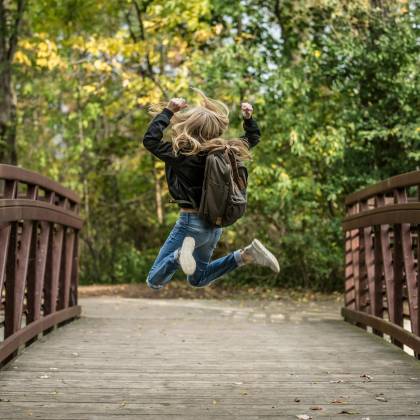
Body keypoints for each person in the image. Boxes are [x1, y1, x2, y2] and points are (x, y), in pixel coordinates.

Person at [143, 89, 279, 289]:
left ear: (189, 126)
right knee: (198, 279)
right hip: (214, 226)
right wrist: (248, 119)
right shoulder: (226, 152)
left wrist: (168, 111)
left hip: (190, 224)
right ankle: (246, 255)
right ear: (214, 129)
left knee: (154, 280)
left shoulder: (181, 154)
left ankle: (180, 255)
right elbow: (252, 138)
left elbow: (150, 140)